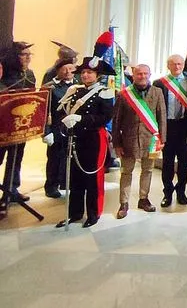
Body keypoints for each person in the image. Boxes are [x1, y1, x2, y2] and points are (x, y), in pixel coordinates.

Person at [55, 55, 115, 228]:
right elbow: (63, 110)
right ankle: (74, 213)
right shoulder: (75, 90)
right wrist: (66, 120)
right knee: (75, 178)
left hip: (94, 139)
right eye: (84, 72)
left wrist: (80, 119)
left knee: (91, 177)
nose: (86, 75)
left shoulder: (104, 92)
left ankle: (93, 213)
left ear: (97, 75)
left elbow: (104, 118)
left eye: (90, 72)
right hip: (76, 138)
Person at [112, 64, 167, 218]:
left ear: (150, 75)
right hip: (128, 140)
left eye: (145, 74)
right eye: (139, 74)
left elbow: (162, 117)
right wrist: (116, 144)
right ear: (133, 75)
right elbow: (116, 121)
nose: (142, 76)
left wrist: (162, 139)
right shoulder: (124, 94)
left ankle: (144, 199)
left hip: (150, 140)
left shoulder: (157, 92)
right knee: (126, 172)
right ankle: (124, 202)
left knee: (148, 170)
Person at [153, 54, 187, 207]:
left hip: (184, 126)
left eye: (180, 64)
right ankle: (167, 193)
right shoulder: (159, 83)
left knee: (184, 162)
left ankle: (181, 191)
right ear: (168, 66)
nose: (177, 67)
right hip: (167, 126)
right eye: (174, 64)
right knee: (168, 162)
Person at [0, 41, 37, 202]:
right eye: (24, 54)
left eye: (30, 54)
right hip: (3, 124)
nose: (28, 57)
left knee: (16, 158)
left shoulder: (30, 75)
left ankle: (11, 190)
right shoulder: (5, 74)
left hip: (21, 124)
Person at [41, 59, 77, 198]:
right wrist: (46, 132)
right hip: (56, 127)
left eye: (71, 68)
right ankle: (51, 186)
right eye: (64, 69)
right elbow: (44, 111)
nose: (68, 72)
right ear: (58, 70)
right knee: (54, 158)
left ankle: (64, 181)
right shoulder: (50, 87)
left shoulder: (78, 85)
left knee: (69, 157)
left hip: (72, 128)